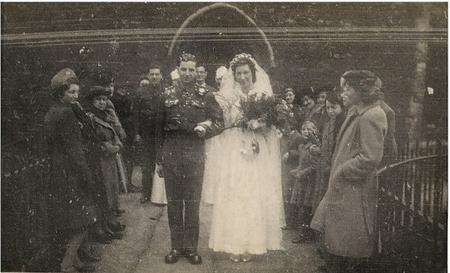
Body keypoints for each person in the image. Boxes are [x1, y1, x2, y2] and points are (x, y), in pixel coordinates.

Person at [208, 53, 284, 262]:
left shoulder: (263, 95)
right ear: (234, 75)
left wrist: (260, 124)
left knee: (253, 194)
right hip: (234, 149)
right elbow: (223, 123)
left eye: (246, 73)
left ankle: (253, 244)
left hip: (256, 149)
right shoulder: (228, 97)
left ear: (252, 74)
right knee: (235, 194)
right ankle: (234, 244)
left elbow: (271, 125)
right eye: (238, 73)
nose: (242, 77)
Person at [311, 70, 387, 273]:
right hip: (344, 186)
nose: (342, 92)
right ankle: (336, 265)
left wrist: (343, 171)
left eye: (347, 88)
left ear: (360, 90)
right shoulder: (357, 111)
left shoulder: (370, 115)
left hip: (353, 188)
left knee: (348, 238)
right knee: (336, 233)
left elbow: (370, 157)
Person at [159, 53, 224, 265]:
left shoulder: (206, 94)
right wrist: (159, 159)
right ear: (178, 69)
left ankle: (191, 248)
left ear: (197, 71)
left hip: (195, 153)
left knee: (193, 205)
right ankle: (175, 247)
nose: (188, 73)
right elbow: (157, 128)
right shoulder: (166, 93)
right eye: (184, 69)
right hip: (171, 153)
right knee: (174, 204)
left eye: (192, 70)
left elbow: (219, 122)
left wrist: (205, 128)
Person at [43, 68, 99, 272]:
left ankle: (76, 262)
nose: (76, 96)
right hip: (72, 173)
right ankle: (67, 265)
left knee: (71, 218)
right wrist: (87, 176)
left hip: (57, 172)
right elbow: (75, 150)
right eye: (71, 92)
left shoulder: (52, 111)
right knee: (83, 220)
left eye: (77, 92)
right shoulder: (66, 113)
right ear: (61, 93)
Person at [82, 86, 126, 242]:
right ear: (93, 101)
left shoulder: (107, 115)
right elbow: (93, 140)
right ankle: (103, 227)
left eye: (104, 99)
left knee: (113, 190)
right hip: (99, 160)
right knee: (104, 192)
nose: (102, 102)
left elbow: (117, 134)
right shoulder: (90, 118)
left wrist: (117, 144)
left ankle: (110, 223)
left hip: (111, 158)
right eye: (98, 100)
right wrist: (109, 147)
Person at [133, 63, 165, 204]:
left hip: (162, 134)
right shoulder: (141, 92)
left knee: (162, 163)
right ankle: (145, 193)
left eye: (156, 74)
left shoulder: (166, 91)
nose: (154, 77)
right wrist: (137, 133)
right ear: (148, 75)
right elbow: (136, 115)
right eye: (151, 74)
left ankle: (161, 195)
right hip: (146, 134)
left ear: (161, 76)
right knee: (146, 166)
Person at [286, 121, 321, 244]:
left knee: (307, 208)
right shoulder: (302, 146)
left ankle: (306, 235)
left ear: (314, 131)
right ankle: (303, 233)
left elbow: (314, 166)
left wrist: (301, 173)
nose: (305, 132)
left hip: (310, 182)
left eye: (308, 129)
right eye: (303, 129)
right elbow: (302, 163)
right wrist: (296, 170)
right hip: (301, 181)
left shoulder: (314, 147)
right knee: (301, 207)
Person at [311, 89, 346, 214]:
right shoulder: (328, 123)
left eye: (334, 107)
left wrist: (330, 164)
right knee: (319, 194)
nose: (330, 111)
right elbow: (325, 143)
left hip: (332, 167)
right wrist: (318, 149)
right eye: (328, 108)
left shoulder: (342, 124)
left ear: (341, 107)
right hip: (323, 164)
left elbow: (337, 147)